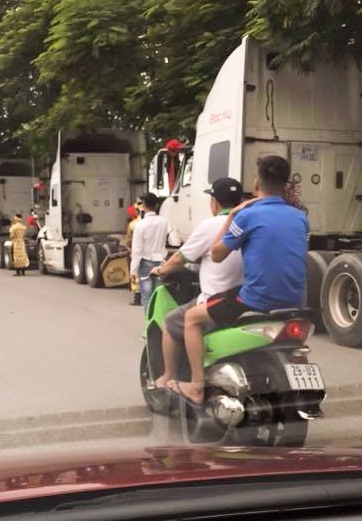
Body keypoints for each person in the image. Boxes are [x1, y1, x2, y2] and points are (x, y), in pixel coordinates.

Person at [165, 156, 309, 404]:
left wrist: (232, 215)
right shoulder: (299, 217)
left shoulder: (248, 216)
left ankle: (197, 386)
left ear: (256, 183)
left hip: (255, 300)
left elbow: (217, 254)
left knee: (190, 318)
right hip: (295, 299)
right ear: (286, 184)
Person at [148, 178, 245, 391]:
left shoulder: (209, 226)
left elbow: (180, 258)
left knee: (172, 321)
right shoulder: (248, 223)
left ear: (215, 202)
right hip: (246, 298)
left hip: (217, 300)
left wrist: (161, 270)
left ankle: (175, 378)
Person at [130, 193, 169, 311]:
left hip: (145, 264)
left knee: (147, 297)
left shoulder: (140, 225)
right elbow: (172, 238)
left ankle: (149, 324)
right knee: (159, 295)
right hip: (161, 263)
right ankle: (159, 323)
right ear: (157, 205)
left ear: (143, 206)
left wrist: (133, 270)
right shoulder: (164, 222)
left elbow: (137, 250)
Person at [125, 200, 143, 306]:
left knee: (135, 274)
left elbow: (128, 240)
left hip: (136, 253)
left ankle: (137, 298)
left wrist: (128, 247)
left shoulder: (133, 224)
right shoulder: (158, 221)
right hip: (152, 254)